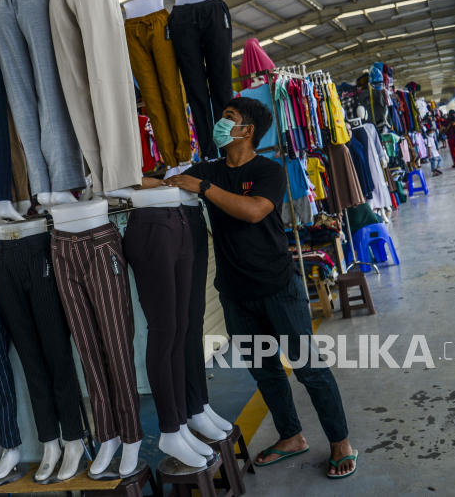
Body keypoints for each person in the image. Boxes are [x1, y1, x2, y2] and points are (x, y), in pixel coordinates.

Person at [153, 97, 357, 479]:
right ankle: (291, 436)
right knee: (264, 371)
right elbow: (162, 181)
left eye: (228, 118)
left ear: (246, 131)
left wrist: (204, 187)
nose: (219, 123)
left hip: (279, 287)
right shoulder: (208, 169)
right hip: (235, 294)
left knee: (309, 368)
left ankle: (340, 442)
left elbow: (254, 210)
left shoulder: (269, 170)